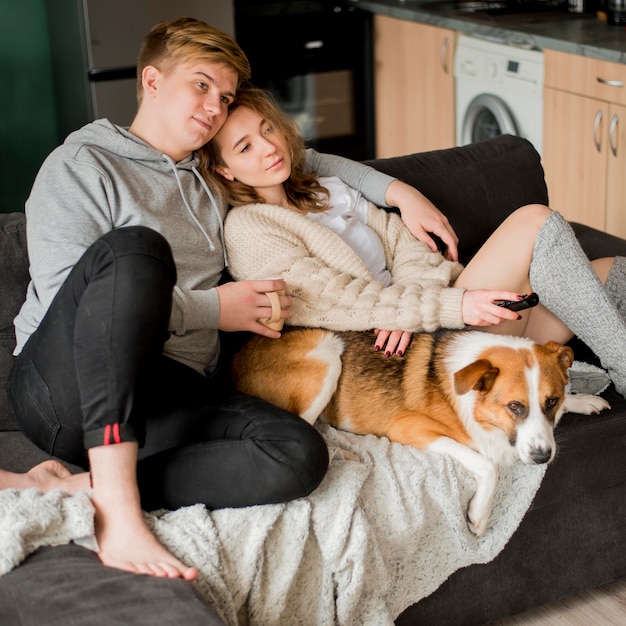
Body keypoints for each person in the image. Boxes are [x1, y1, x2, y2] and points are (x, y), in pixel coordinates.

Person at [2, 18, 460, 580]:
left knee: (298, 455)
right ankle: (118, 513)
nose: (214, 108)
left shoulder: (213, 172)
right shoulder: (81, 166)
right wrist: (216, 308)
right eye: (200, 86)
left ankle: (75, 485)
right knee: (136, 252)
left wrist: (400, 193)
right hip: (62, 387)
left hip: (167, 391)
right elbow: (66, 306)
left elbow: (301, 159)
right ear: (151, 80)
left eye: (222, 97)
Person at [205, 86, 626, 396]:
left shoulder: (325, 189)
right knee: (534, 220)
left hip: (429, 317)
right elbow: (335, 300)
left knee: (610, 271)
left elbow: (408, 246)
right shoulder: (249, 230)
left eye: (267, 130)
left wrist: (409, 306)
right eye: (245, 148)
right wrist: (439, 307)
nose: (268, 147)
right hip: (402, 356)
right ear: (225, 170)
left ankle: (539, 366)